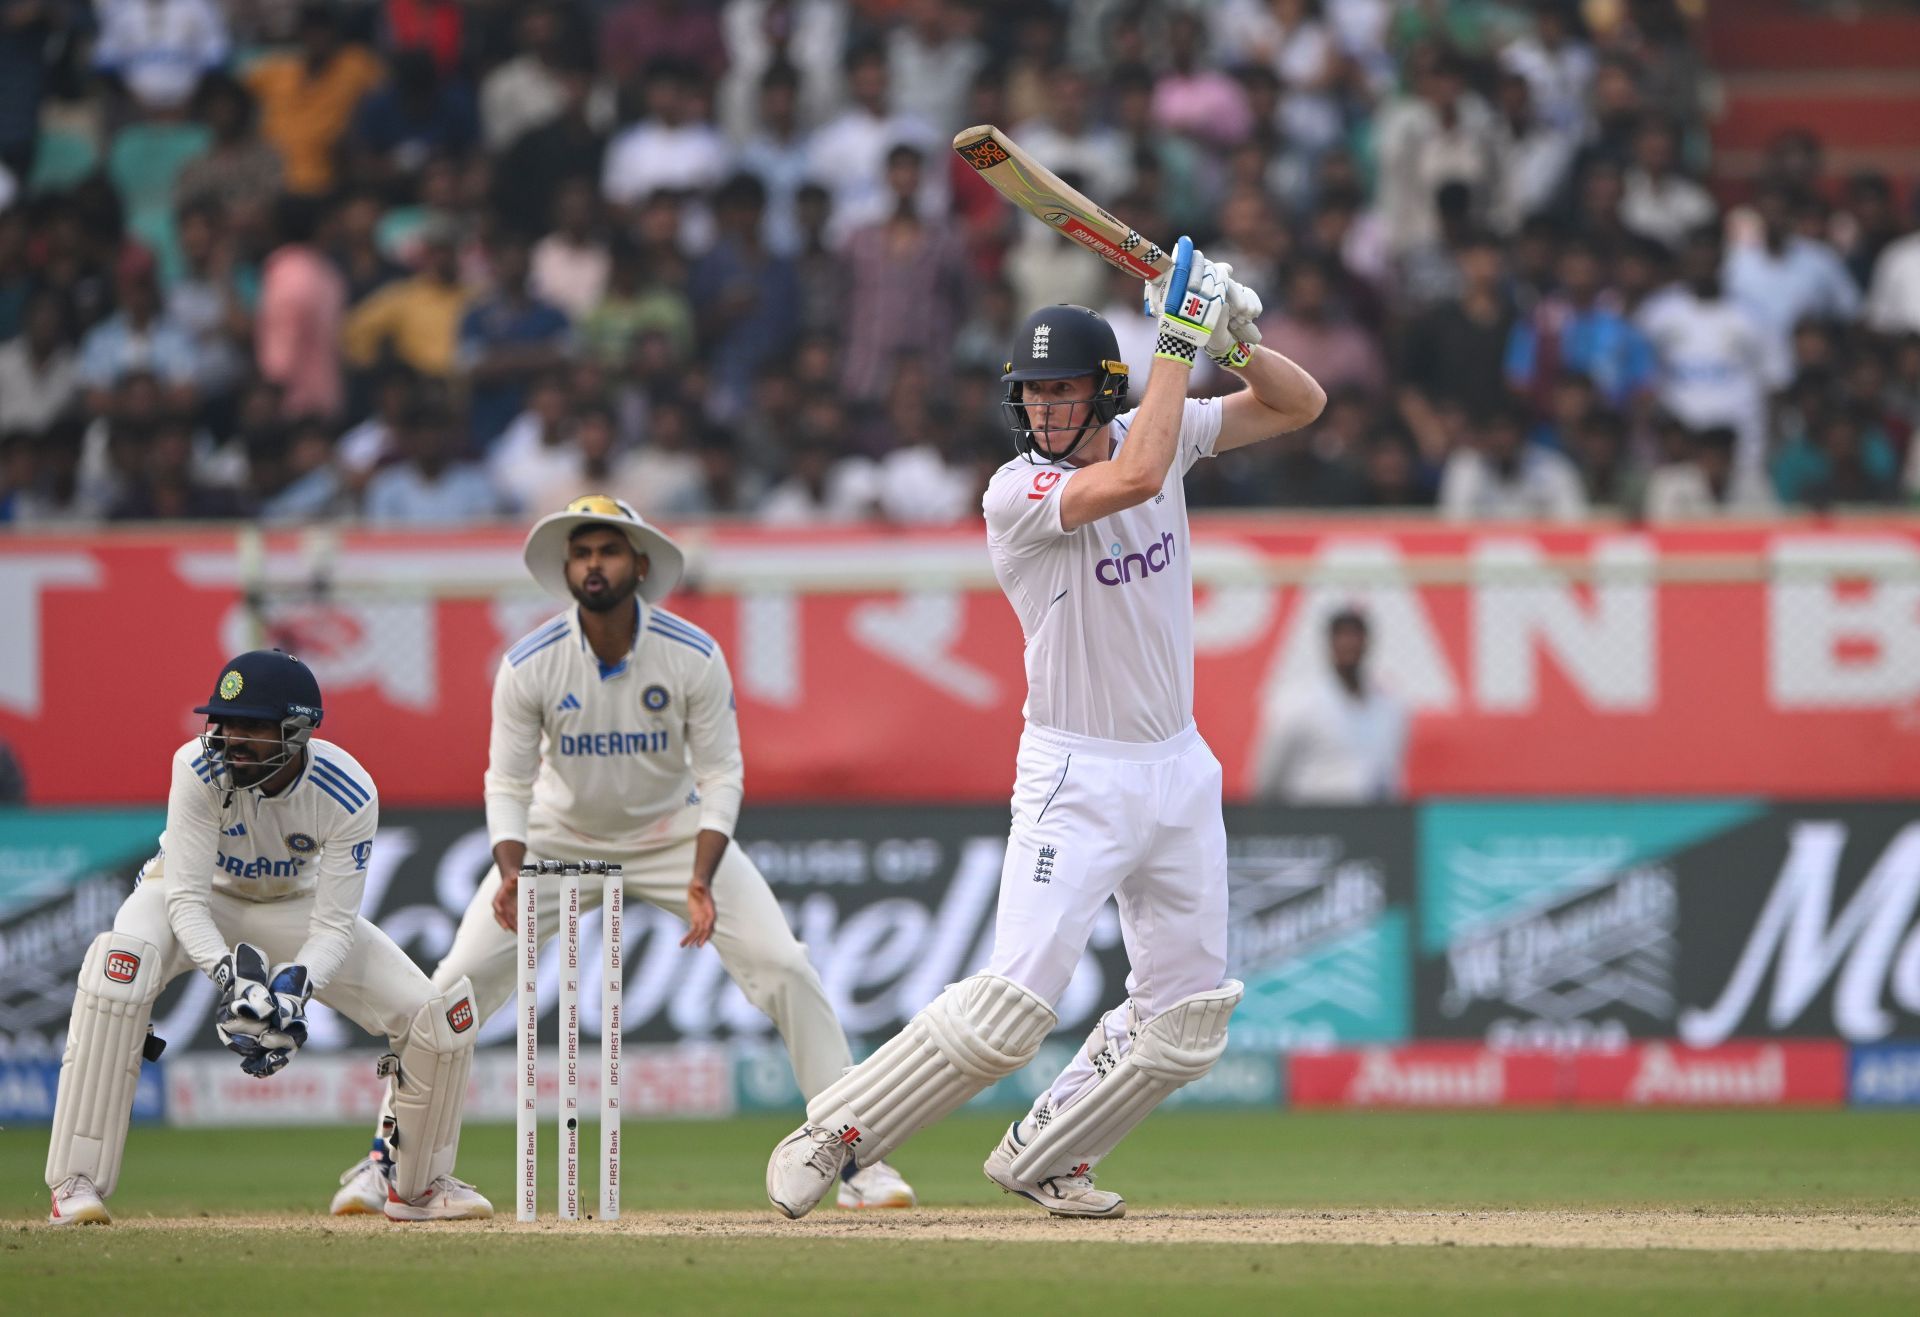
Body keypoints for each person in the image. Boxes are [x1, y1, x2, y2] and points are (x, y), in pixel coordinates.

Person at [766, 238, 1325, 1220]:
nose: (1047, 412)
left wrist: (1237, 339)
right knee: (1011, 1012)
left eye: (1065, 394)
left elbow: (1300, 406)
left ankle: (1049, 1154)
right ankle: (837, 1134)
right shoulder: (1015, 492)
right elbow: (1139, 476)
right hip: (1076, 772)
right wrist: (1181, 335)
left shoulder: (1171, 427)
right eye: (1033, 395)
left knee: (1187, 1022)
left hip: (1177, 767)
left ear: (1102, 393)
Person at [330, 496, 917, 1214]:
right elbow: (507, 781)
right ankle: (385, 1160)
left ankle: (854, 1157)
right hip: (556, 835)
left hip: (673, 834)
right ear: (568, 569)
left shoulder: (691, 654)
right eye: (581, 553)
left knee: (786, 966)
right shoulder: (531, 663)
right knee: (451, 988)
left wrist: (701, 877)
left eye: (607, 551)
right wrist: (512, 869)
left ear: (639, 565)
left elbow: (722, 774)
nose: (593, 564)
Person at [47, 650, 489, 1225]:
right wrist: (232, 980)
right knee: (118, 967)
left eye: (252, 726)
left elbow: (332, 924)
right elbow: (183, 900)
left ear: (298, 730)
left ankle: (418, 1188)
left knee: (433, 1017)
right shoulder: (197, 766)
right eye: (226, 723)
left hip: (292, 908)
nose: (232, 739)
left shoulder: (347, 791)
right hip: (191, 897)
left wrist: (292, 993)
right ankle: (75, 1183)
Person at [1251, 608, 1408, 803]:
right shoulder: (1298, 702)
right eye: (1342, 636)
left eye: (1355, 636)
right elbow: (1270, 775)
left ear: (1367, 642)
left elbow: (1389, 771)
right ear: (1330, 643)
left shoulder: (1388, 705)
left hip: (1370, 818)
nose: (1349, 644)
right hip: (1315, 817)